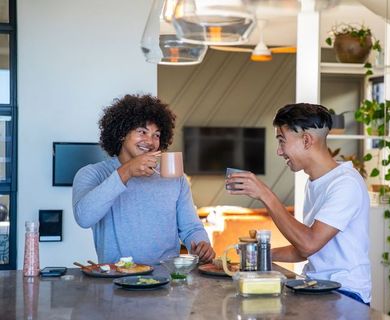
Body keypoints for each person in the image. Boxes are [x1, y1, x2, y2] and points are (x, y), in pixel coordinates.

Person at [226, 103, 371, 304]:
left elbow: (308, 244)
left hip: (346, 294)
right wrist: (259, 254)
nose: (279, 151)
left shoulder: (346, 183)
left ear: (306, 140)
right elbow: (306, 247)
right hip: (315, 286)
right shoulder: (314, 183)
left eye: (281, 141)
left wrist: (265, 194)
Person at [72, 94, 215, 265]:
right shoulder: (92, 174)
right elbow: (84, 217)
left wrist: (202, 245)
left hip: (166, 283)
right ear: (121, 134)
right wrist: (127, 172)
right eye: (142, 132)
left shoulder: (175, 178)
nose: (150, 141)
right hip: (115, 283)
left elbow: (191, 228)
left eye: (156, 135)